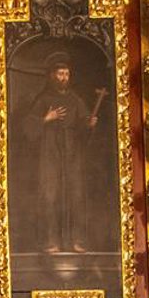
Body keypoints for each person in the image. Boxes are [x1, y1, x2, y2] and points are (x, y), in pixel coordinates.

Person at [25, 53, 100, 255]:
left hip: (72, 152)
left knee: (75, 194)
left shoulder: (75, 99)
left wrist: (89, 124)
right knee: (50, 195)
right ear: (52, 75)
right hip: (49, 151)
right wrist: (46, 119)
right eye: (60, 74)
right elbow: (27, 127)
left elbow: (83, 125)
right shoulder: (43, 99)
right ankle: (50, 242)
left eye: (66, 74)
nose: (63, 78)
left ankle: (75, 241)